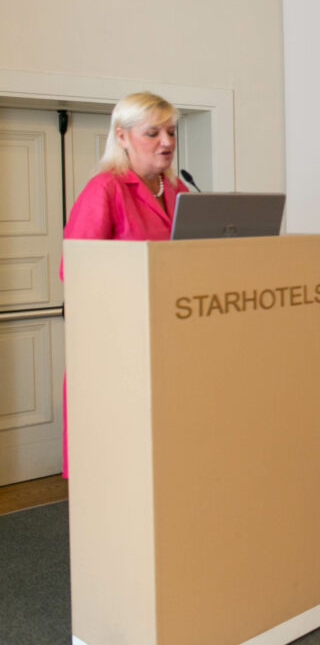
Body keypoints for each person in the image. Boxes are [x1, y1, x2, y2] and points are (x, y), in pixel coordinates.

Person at [61, 91, 190, 477]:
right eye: (153, 133)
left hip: (174, 338)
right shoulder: (105, 188)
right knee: (121, 466)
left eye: (171, 132)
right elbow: (76, 271)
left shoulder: (179, 191)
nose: (166, 142)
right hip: (118, 345)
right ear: (121, 136)